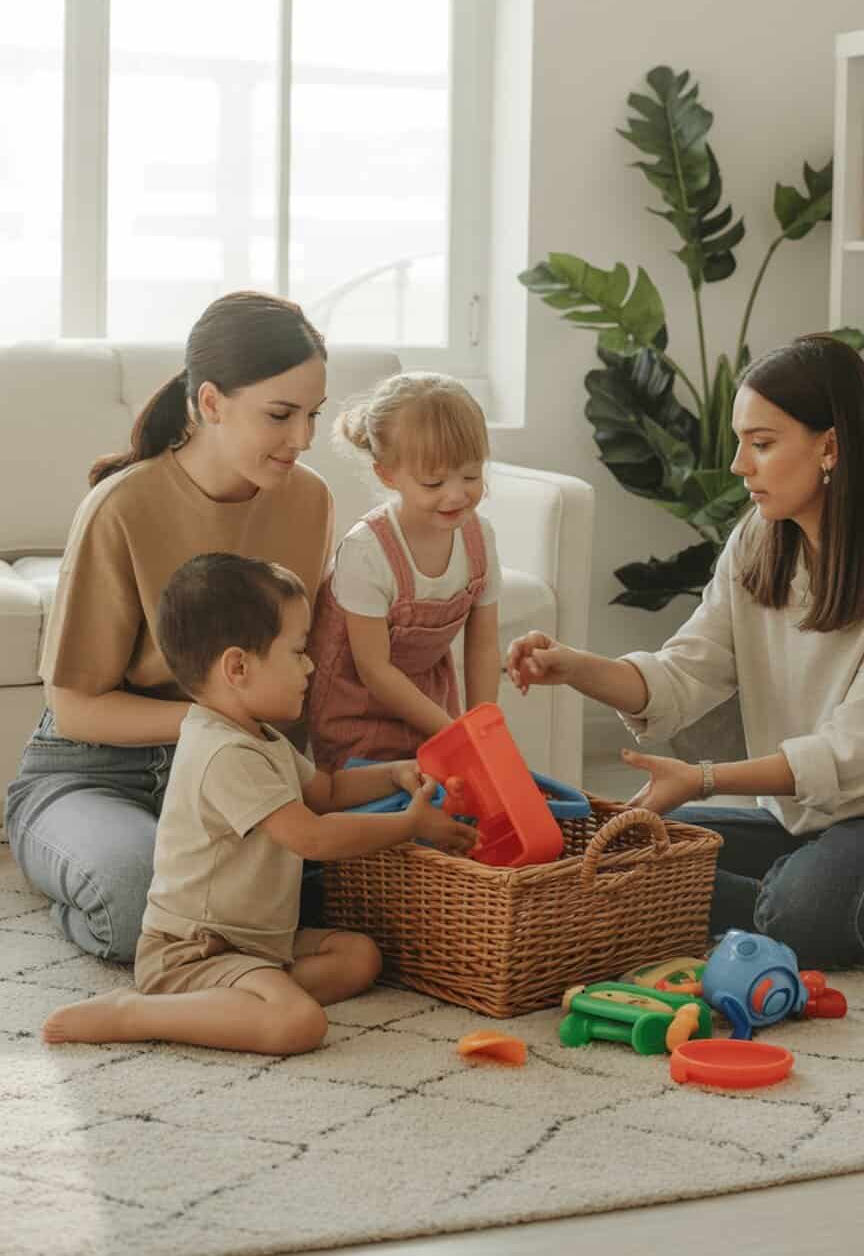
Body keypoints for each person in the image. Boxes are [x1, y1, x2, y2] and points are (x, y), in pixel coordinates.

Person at [507, 334, 864, 970]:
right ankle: (817, 891)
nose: (740, 465)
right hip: (798, 827)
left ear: (832, 446)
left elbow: (854, 754)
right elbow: (683, 675)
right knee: (628, 851)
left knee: (807, 916)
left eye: (761, 444)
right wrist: (573, 666)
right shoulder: (760, 538)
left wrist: (703, 780)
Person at [6, 290, 336, 963]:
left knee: (344, 882)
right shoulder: (122, 506)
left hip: (238, 774)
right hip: (97, 774)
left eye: (312, 416)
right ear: (210, 404)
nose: (301, 440)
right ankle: (78, 874)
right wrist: (210, 722)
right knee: (136, 904)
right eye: (280, 414)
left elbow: (300, 663)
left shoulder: (310, 501)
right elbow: (73, 709)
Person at [41, 553, 473, 1053]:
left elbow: (328, 792)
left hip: (256, 943)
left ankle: (242, 1003)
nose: (310, 665)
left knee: (359, 957)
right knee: (299, 1025)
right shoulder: (223, 750)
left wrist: (394, 771)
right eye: (297, 651)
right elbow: (311, 834)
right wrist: (408, 823)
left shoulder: (259, 735)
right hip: (196, 952)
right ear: (238, 666)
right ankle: (138, 1012)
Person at [307, 372, 501, 770]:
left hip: (430, 700)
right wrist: (454, 733)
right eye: (433, 482)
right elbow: (374, 670)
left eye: (471, 475)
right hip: (357, 708)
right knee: (382, 816)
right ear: (387, 474)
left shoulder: (480, 537)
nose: (456, 494)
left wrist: (482, 729)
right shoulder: (366, 551)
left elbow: (482, 645)